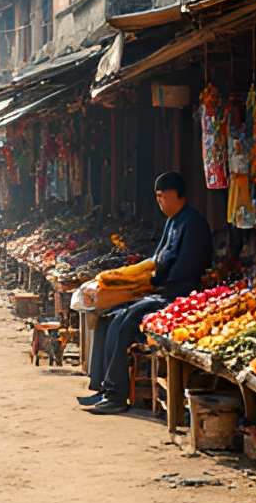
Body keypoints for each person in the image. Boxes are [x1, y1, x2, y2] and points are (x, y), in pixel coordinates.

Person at [80, 172, 213, 414]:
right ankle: (104, 387)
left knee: (128, 320)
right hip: (159, 291)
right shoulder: (173, 221)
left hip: (177, 296)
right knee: (110, 316)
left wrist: (151, 281)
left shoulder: (193, 223)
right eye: (157, 197)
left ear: (175, 193)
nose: (160, 202)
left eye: (162, 196)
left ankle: (117, 396)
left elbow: (184, 270)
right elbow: (158, 259)